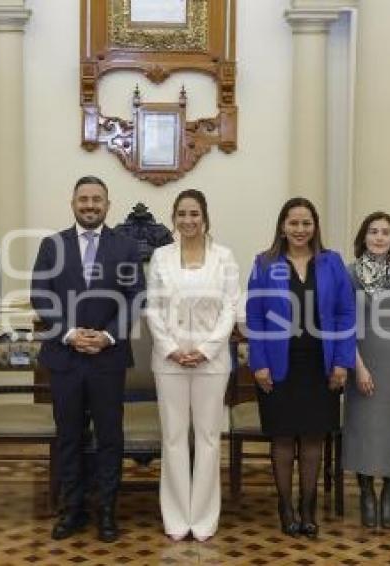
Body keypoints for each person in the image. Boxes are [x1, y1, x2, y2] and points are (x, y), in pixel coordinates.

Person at [30, 175, 145, 543]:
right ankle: (72, 510)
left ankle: (107, 512)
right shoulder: (52, 246)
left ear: (107, 205)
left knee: (110, 437)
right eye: (84, 199)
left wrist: (108, 335)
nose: (90, 205)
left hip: (108, 358)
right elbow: (41, 294)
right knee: (69, 436)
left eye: (97, 200)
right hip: (65, 356)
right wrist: (69, 333)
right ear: (73, 203)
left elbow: (135, 296)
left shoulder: (126, 246)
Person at [246, 197, 356, 539]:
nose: (299, 229)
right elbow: (255, 317)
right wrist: (259, 364)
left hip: (319, 364)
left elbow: (345, 314)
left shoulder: (332, 262)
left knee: (312, 438)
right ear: (283, 225)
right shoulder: (264, 263)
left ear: (315, 226)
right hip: (279, 366)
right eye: (293, 223)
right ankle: (286, 507)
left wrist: (342, 361)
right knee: (281, 438)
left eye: (306, 223)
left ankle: (308, 508)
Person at [146, 189, 239, 542]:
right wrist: (171, 349)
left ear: (205, 217)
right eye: (182, 214)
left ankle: (202, 518)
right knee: (172, 437)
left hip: (211, 363)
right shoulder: (160, 257)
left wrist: (206, 349)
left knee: (208, 438)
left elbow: (230, 308)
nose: (188, 220)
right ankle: (175, 516)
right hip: (168, 362)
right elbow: (152, 307)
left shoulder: (224, 257)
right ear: (174, 218)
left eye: (194, 214)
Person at [342, 211, 390, 529]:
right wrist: (358, 368)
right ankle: (366, 493)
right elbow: (344, 323)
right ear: (363, 237)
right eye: (373, 231)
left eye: (385, 232)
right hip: (362, 360)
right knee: (364, 428)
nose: (379, 237)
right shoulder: (349, 273)